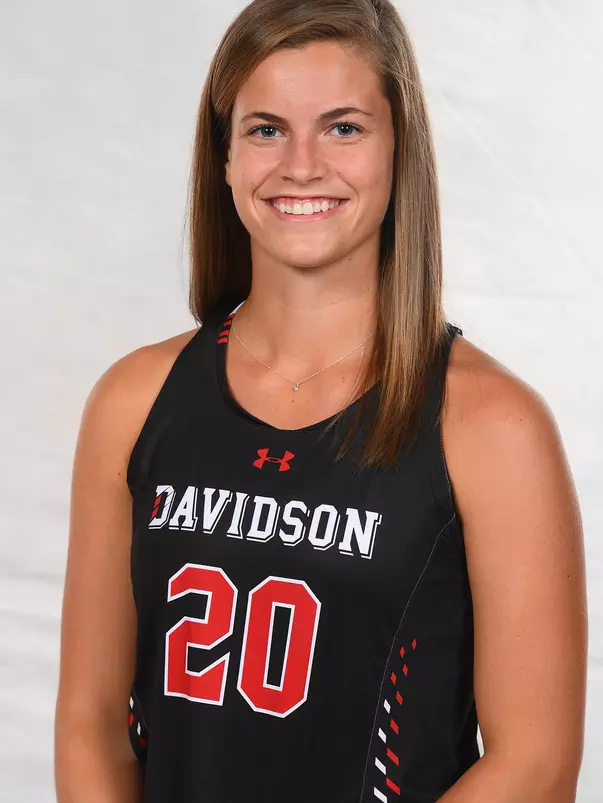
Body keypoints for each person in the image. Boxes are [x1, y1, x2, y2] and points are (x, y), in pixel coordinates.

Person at [54, 1, 587, 801]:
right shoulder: (134, 400)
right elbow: (91, 721)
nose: (301, 164)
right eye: (265, 129)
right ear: (223, 158)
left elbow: (534, 766)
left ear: (397, 151)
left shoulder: (492, 427)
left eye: (343, 127)